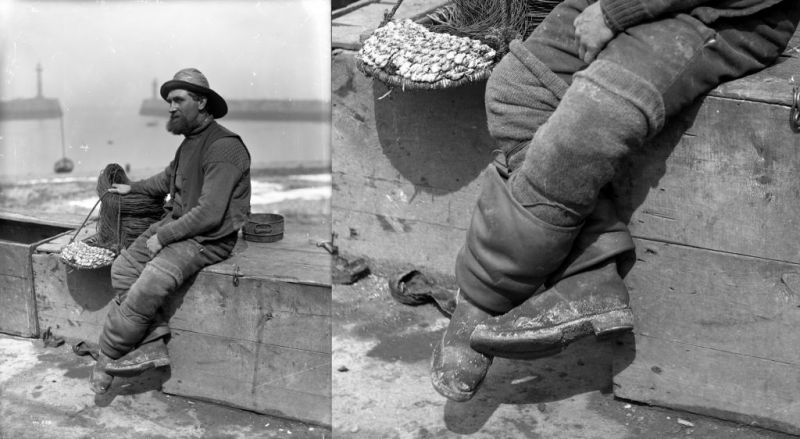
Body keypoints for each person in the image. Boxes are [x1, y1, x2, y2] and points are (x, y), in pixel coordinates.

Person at [431, 0, 800, 402]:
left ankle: (483, 295)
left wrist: (616, 13)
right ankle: (588, 275)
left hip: (724, 15)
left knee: (594, 117)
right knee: (518, 88)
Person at [90, 68, 252, 394]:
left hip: (209, 238)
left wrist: (162, 237)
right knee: (122, 269)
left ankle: (108, 355)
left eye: (178, 100)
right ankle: (153, 340)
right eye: (169, 102)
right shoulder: (189, 144)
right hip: (179, 229)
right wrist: (130, 188)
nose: (171, 107)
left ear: (202, 102)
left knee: (147, 287)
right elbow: (166, 181)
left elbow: (209, 214)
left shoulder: (224, 147)